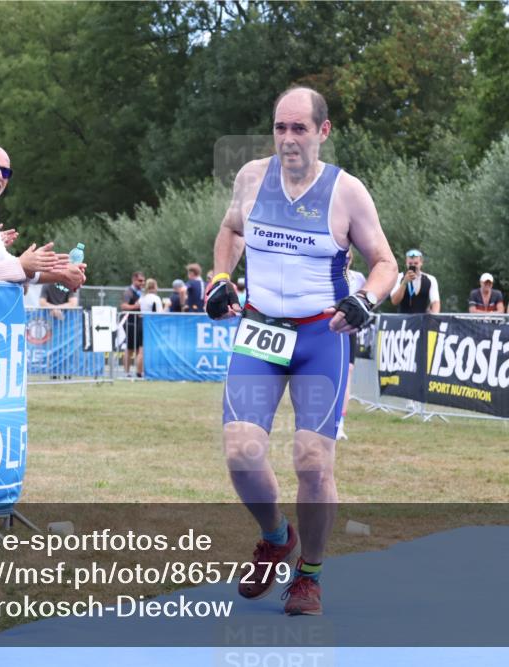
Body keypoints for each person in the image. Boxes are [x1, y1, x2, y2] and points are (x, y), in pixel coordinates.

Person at [206, 86, 397, 616]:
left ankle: (309, 574)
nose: (288, 139)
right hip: (261, 331)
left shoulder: (347, 192)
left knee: (312, 463)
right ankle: (275, 536)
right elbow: (229, 230)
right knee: (240, 453)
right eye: (280, 128)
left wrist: (366, 297)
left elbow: (385, 261)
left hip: (321, 336)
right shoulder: (250, 177)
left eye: (300, 128)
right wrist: (221, 277)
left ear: (323, 131)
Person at [0, 144, 82, 289]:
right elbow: (2, 263)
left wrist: (50, 268)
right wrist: (59, 273)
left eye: (6, 172)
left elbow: (2, 264)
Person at [338, 250, 367, 441]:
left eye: (349, 254)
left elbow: (369, 302)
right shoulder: (325, 275)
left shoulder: (358, 278)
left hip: (349, 331)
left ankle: (339, 425)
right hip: (327, 327)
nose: (346, 257)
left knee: (347, 374)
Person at [389, 248, 440, 314]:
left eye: (416, 263)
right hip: (403, 320)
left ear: (421, 263)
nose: (413, 265)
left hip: (422, 320)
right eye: (410, 263)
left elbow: (435, 302)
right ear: (406, 263)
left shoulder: (430, 279)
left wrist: (434, 317)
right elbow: (394, 301)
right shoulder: (399, 277)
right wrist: (404, 283)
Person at [135, 278, 164, 377]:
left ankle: (139, 372)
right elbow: (160, 313)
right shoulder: (155, 298)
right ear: (155, 286)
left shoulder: (142, 297)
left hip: (141, 323)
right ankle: (148, 371)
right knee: (149, 350)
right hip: (150, 325)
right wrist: (167, 306)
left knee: (141, 350)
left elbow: (138, 306)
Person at [120, 271, 145, 376]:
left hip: (139, 323)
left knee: (140, 348)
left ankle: (139, 372)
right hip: (130, 323)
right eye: (140, 281)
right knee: (129, 349)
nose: (142, 283)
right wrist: (135, 307)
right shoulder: (128, 292)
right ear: (134, 280)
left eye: (143, 281)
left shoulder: (142, 292)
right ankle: (126, 372)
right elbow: (123, 306)